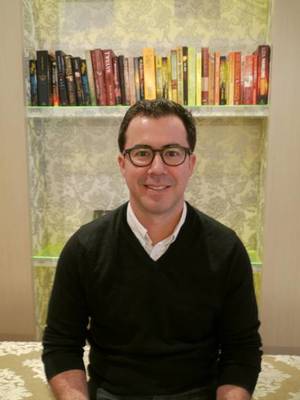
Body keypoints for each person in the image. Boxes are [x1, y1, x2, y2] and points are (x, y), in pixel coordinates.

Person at [42, 99, 262, 400]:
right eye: (142, 153)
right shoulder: (83, 248)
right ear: (123, 163)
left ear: (191, 163)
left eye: (172, 153)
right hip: (112, 393)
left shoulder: (227, 249)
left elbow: (242, 352)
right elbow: (61, 346)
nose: (157, 169)